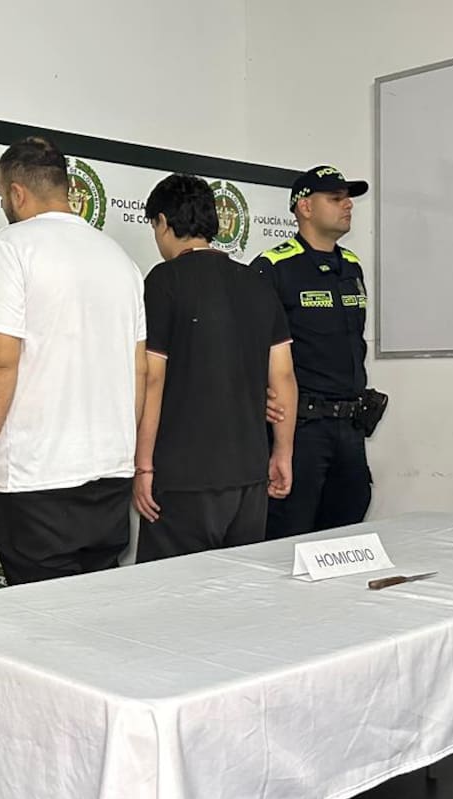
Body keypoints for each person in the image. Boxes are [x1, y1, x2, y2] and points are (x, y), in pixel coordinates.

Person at [0, 136, 146, 585]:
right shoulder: (120, 260)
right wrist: (123, 452)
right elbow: (139, 371)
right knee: (95, 616)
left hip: (39, 477)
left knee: (43, 630)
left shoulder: (15, 245)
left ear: (17, 193)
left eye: (3, 196)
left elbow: (0, 364)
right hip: (111, 476)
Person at [132, 174, 297, 560]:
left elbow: (152, 377)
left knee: (173, 604)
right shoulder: (256, 283)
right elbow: (284, 377)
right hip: (249, 477)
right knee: (236, 601)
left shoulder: (163, 281)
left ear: (164, 223)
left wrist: (142, 467)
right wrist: (283, 453)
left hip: (182, 478)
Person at [251, 165, 381, 539]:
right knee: (288, 536)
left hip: (350, 426)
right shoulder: (273, 267)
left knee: (346, 532)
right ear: (305, 207)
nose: (348, 206)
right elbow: (248, 348)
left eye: (349, 199)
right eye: (336, 198)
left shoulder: (352, 265)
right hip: (301, 429)